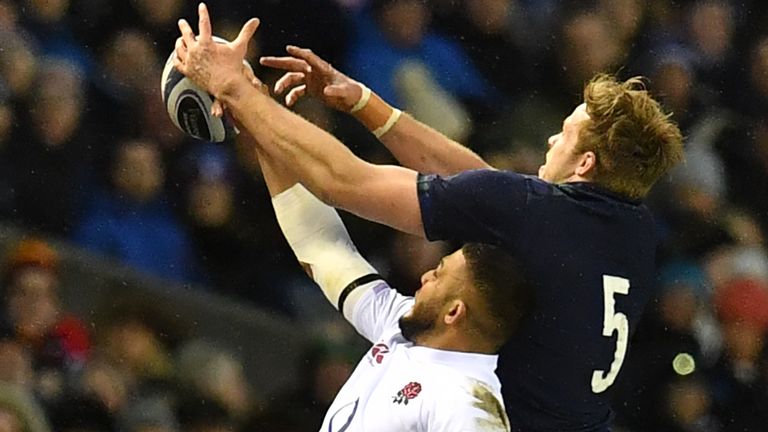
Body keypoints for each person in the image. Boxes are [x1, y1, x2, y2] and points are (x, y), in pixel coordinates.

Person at [173, 4, 684, 430]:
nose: (551, 140)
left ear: (586, 164)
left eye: (565, 134)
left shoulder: (463, 398)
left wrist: (237, 90)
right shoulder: (632, 234)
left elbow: (344, 182)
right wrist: (364, 105)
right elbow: (484, 192)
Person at [239, 76, 533, 429]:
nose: (425, 277)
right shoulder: (399, 323)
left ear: (455, 312)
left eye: (438, 275)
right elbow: (322, 248)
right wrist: (254, 114)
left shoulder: (466, 402)